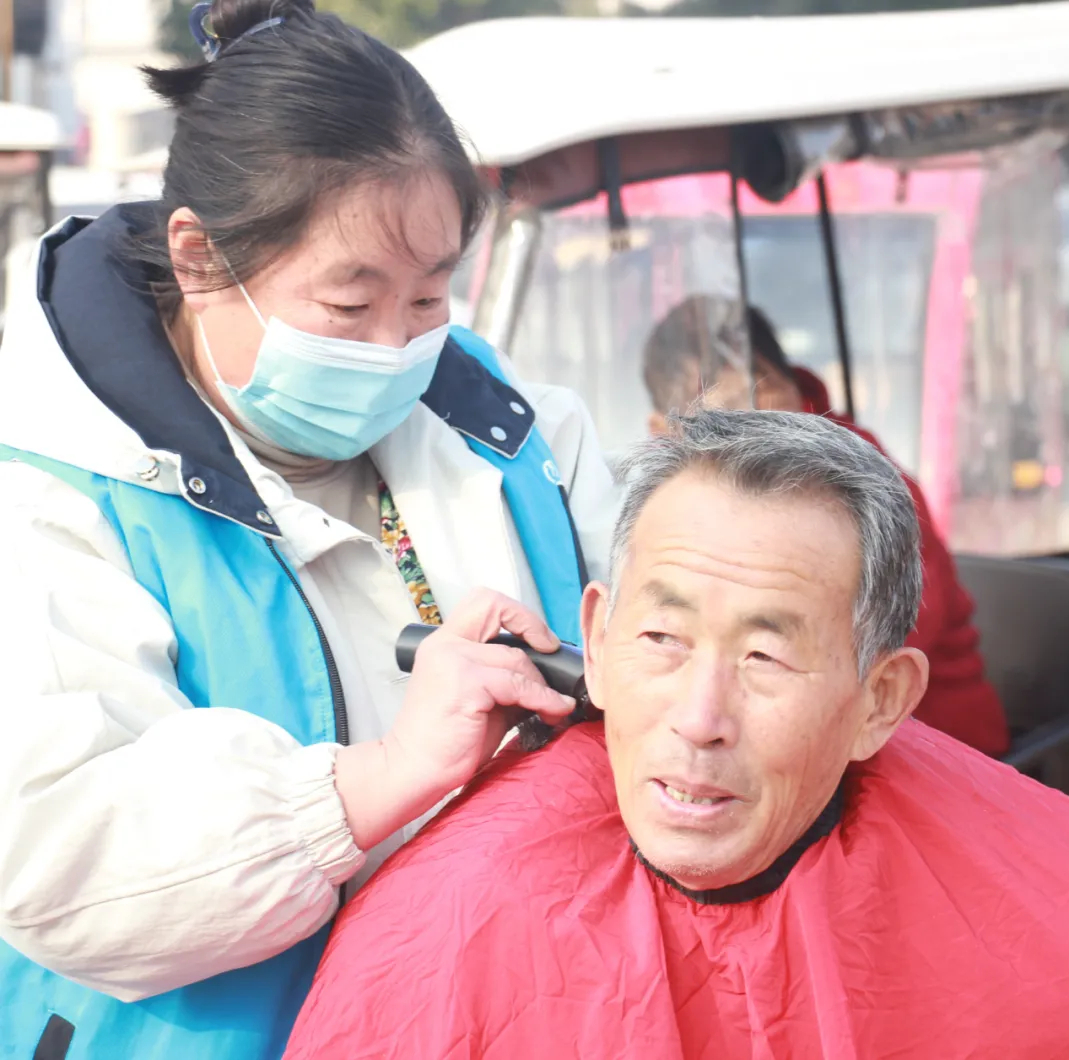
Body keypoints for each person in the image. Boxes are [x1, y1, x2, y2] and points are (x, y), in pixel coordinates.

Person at [0, 2, 617, 1057]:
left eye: (428, 299)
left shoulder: (522, 437)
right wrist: (382, 777)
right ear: (200, 258)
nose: (393, 348)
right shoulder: (52, 490)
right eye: (348, 305)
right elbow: (56, 856)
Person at [285, 410, 1069, 1060]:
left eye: (765, 657)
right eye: (663, 639)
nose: (700, 720)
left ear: (881, 701)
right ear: (598, 643)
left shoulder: (1044, 918)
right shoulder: (455, 920)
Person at [642, 295, 1009, 757]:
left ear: (792, 387)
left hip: (932, 748)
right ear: (664, 432)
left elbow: (883, 642)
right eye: (719, 420)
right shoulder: (679, 502)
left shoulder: (864, 481)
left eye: (757, 398)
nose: (748, 435)